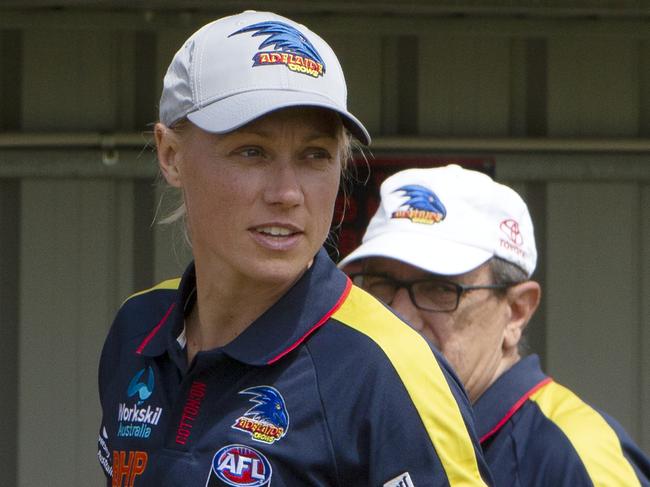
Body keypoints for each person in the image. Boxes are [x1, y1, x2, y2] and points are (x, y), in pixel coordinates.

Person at [96, 11, 493, 487]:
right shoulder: (138, 327)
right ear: (171, 155)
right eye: (252, 151)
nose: (287, 192)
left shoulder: (390, 370)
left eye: (315, 156)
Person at [339, 164, 650, 487]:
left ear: (517, 312)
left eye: (439, 289)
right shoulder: (353, 430)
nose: (399, 315)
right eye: (380, 284)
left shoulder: (576, 456)